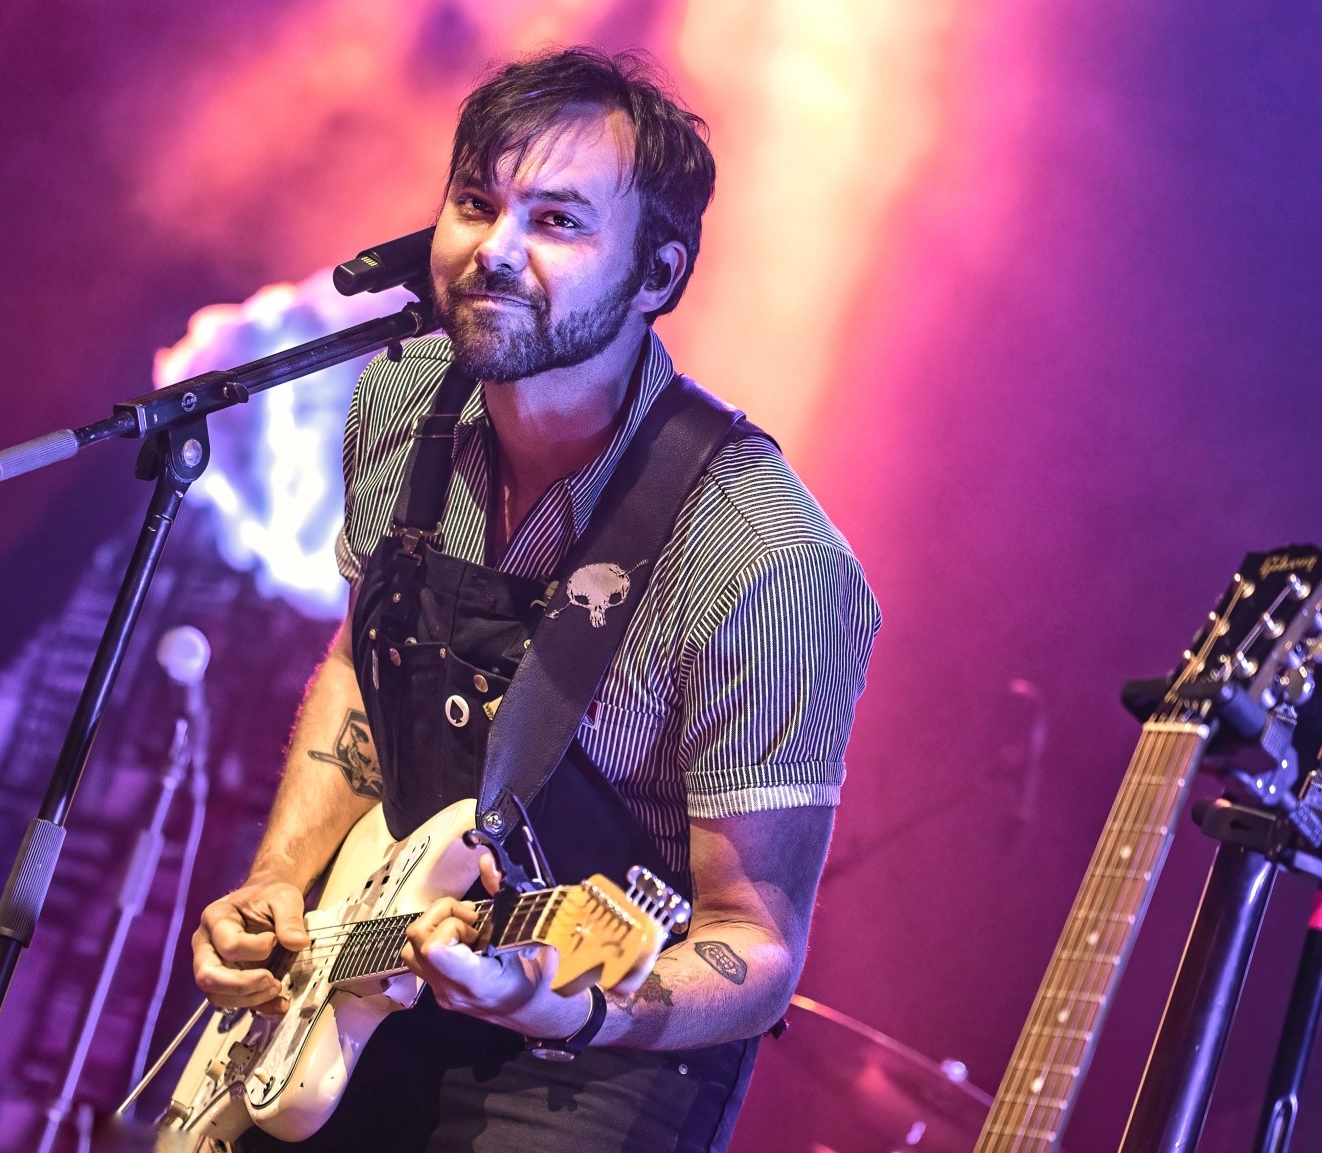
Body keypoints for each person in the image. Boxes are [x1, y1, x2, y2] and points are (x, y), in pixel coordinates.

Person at [190, 46, 879, 1153]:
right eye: (475, 202)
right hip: (371, 976)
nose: (492, 252)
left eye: (557, 222)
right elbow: (361, 677)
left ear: (656, 276)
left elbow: (754, 948)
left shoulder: (766, 557)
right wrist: (280, 885)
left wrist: (568, 1004)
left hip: (597, 1059)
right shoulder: (405, 398)